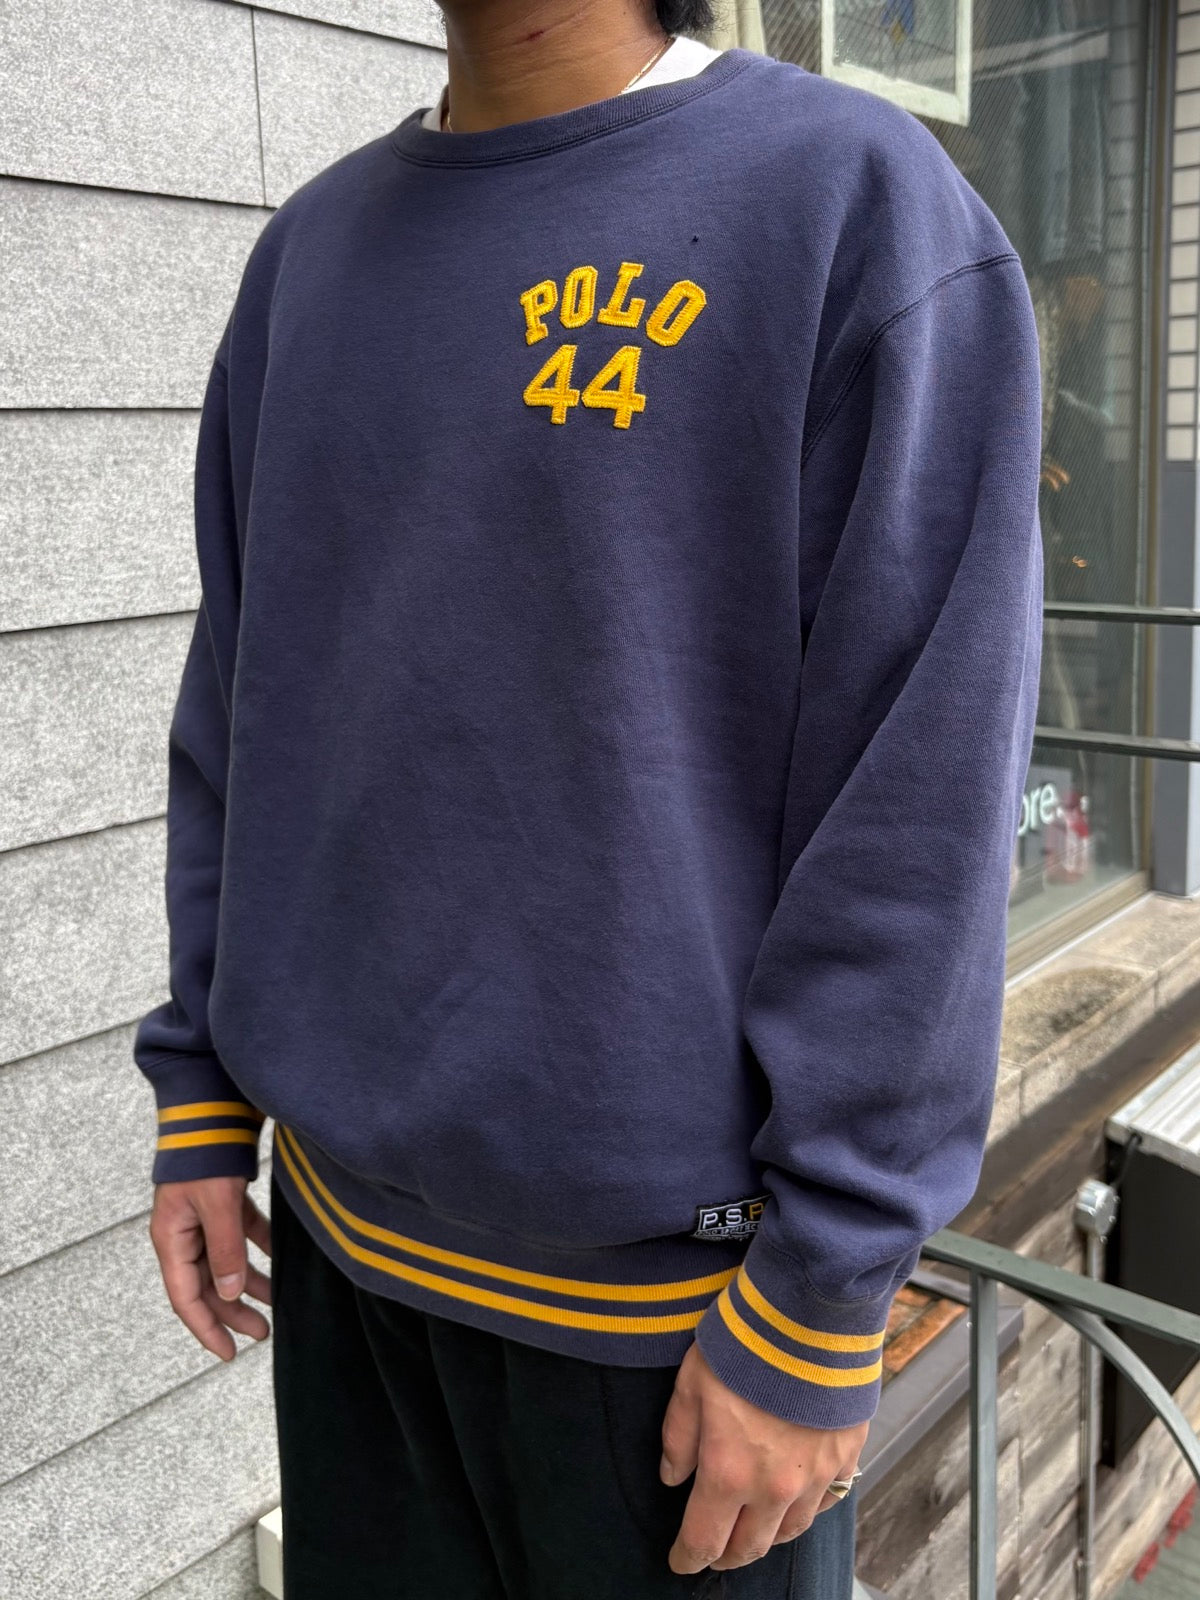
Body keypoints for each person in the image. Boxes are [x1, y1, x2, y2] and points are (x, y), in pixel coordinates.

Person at [135, 0, 1045, 1594]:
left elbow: (920, 796)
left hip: (679, 1335)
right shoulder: (310, 258)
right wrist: (202, 1085)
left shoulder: (852, 206)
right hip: (341, 1258)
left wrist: (824, 1289)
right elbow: (245, 705)